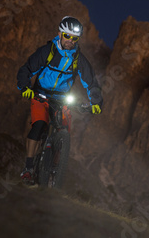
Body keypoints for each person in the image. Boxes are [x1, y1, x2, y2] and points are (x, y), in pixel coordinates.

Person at [16, 16, 103, 184]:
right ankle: (28, 169)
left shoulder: (78, 59)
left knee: (64, 129)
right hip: (40, 94)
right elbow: (26, 68)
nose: (70, 41)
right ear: (60, 33)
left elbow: (91, 82)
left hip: (62, 98)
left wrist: (96, 103)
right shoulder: (47, 51)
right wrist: (24, 87)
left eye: (74, 38)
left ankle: (54, 166)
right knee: (39, 125)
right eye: (67, 36)